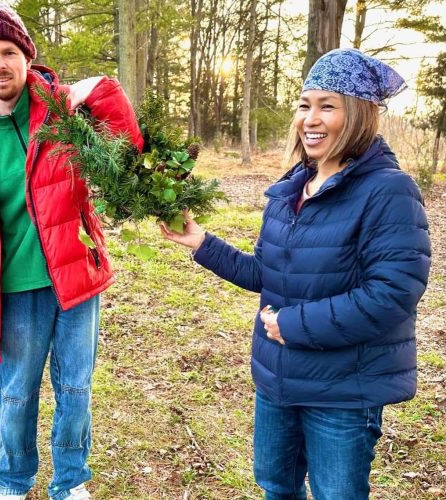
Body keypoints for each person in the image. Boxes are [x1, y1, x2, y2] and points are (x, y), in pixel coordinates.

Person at [161, 48, 431, 499]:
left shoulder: (388, 190)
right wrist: (203, 244)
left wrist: (291, 324)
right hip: (278, 381)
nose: (311, 118)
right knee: (277, 486)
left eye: (328, 105)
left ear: (361, 115)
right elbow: (270, 274)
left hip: (343, 390)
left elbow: (392, 294)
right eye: (305, 105)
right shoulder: (293, 189)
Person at [0, 2, 143, 499]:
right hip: (10, 289)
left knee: (75, 391)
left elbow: (128, 149)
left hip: (74, 280)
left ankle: (71, 483)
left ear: (27, 55)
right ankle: (13, 483)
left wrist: (106, 92)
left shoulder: (65, 112)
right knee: (15, 395)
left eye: (8, 51)